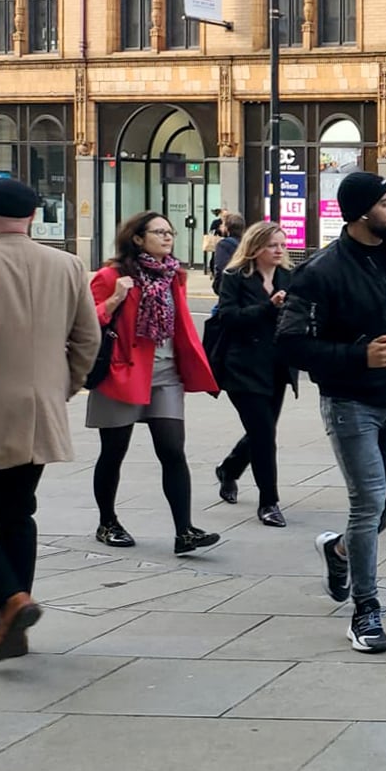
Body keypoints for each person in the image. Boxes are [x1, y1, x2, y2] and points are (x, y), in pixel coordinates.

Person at [278, 173, 386, 654]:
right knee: (368, 504)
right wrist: (358, 356)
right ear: (361, 211)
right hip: (351, 404)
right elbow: (290, 343)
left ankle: (340, 549)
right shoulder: (321, 271)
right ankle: (366, 609)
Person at [0, 179, 99, 661]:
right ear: (32, 217)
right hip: (39, 414)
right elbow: (87, 341)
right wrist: (61, 390)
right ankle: (10, 622)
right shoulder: (67, 265)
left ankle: (12, 601)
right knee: (17, 514)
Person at [88, 212, 223, 555]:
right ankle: (107, 522)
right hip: (122, 371)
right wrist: (116, 298)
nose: (167, 238)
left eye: (170, 232)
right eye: (158, 232)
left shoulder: (173, 275)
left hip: (165, 375)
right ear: (137, 238)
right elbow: (85, 323)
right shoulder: (111, 276)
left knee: (173, 451)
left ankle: (185, 531)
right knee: (113, 452)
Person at [210, 221, 299, 527]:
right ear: (256, 247)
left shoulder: (289, 276)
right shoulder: (235, 277)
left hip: (276, 367)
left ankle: (229, 469)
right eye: (272, 245)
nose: (279, 250)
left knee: (263, 431)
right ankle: (269, 502)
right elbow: (229, 317)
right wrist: (268, 307)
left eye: (282, 245)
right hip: (242, 368)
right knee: (263, 434)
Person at [209, 213, 245, 280]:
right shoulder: (247, 242)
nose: (220, 226)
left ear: (227, 228)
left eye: (223, 224)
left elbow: (221, 267)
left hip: (229, 284)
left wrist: (217, 284)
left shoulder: (224, 244)